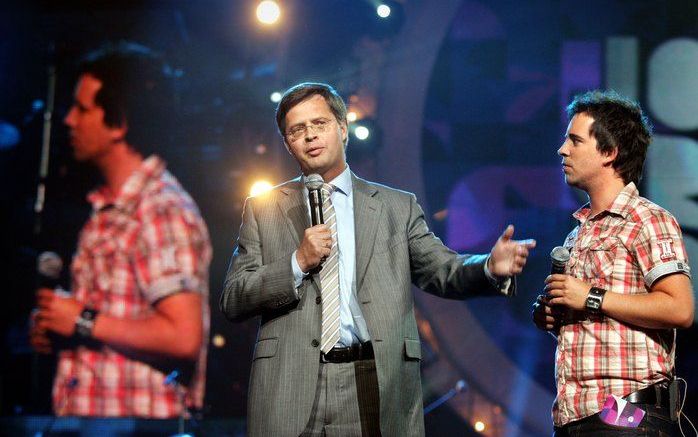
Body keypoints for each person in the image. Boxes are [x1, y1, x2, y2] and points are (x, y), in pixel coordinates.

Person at [220, 82, 536, 436]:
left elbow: (441, 270)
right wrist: (296, 262)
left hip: (372, 378)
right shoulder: (265, 209)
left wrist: (488, 267)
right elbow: (234, 298)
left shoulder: (395, 207)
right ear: (287, 143)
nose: (310, 136)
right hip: (291, 384)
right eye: (297, 130)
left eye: (319, 124)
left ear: (342, 128)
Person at [29, 42, 211, 418]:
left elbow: (183, 337)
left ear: (118, 123)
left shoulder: (161, 209)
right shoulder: (106, 211)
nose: (69, 120)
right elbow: (110, 323)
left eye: (83, 109)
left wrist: (81, 320)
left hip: (141, 426)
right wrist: (59, 326)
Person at [533, 90, 694, 436]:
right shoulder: (577, 234)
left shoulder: (648, 220)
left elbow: (680, 308)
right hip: (575, 417)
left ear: (609, 152)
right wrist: (555, 316)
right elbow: (600, 330)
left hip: (625, 416)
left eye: (575, 141)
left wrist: (590, 296)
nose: (563, 150)